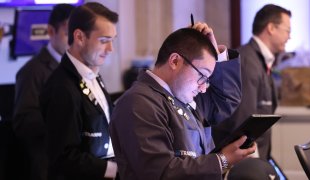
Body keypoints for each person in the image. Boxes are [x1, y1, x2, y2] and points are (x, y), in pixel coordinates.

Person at [110, 23, 256, 180]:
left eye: (207, 80)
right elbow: (160, 172)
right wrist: (222, 160)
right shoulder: (137, 102)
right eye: (202, 76)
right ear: (174, 61)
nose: (203, 88)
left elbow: (226, 100)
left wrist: (214, 52)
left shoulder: (182, 94)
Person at [40, 2, 118, 180]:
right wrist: (115, 170)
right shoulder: (61, 87)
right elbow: (63, 157)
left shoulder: (93, 75)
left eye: (113, 40)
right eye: (104, 41)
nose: (110, 49)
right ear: (80, 37)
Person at [213, 4, 291, 161]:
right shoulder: (248, 62)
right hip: (245, 164)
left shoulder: (260, 60)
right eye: (287, 31)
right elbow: (243, 125)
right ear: (271, 28)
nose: (289, 37)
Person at [13, 4, 75, 180]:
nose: (72, 41)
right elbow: (22, 122)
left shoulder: (76, 67)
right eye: (66, 33)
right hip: (48, 164)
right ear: (50, 31)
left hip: (73, 159)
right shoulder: (32, 71)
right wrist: (60, 116)